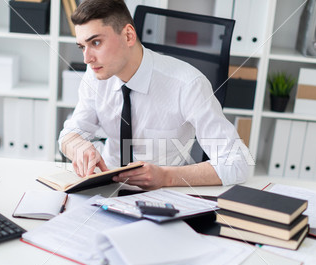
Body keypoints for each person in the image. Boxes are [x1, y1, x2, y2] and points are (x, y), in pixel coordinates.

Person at [59, 0, 251, 190]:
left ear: (128, 36)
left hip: (164, 193)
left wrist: (166, 176)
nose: (87, 59)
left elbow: (238, 162)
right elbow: (69, 135)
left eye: (96, 42)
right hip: (107, 187)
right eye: (82, 46)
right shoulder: (95, 77)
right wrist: (78, 147)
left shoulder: (188, 85)